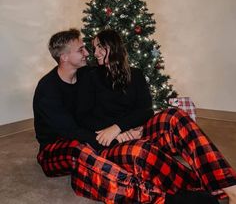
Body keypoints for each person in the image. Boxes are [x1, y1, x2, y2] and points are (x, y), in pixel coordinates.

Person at [33, 28, 236, 204]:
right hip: (61, 144)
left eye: (93, 48)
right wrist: (116, 134)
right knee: (114, 150)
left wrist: (123, 128)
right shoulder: (49, 89)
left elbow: (143, 110)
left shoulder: (88, 73)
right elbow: (75, 127)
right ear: (65, 57)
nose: (89, 53)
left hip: (106, 134)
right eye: (82, 49)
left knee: (175, 116)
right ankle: (169, 198)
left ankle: (228, 186)